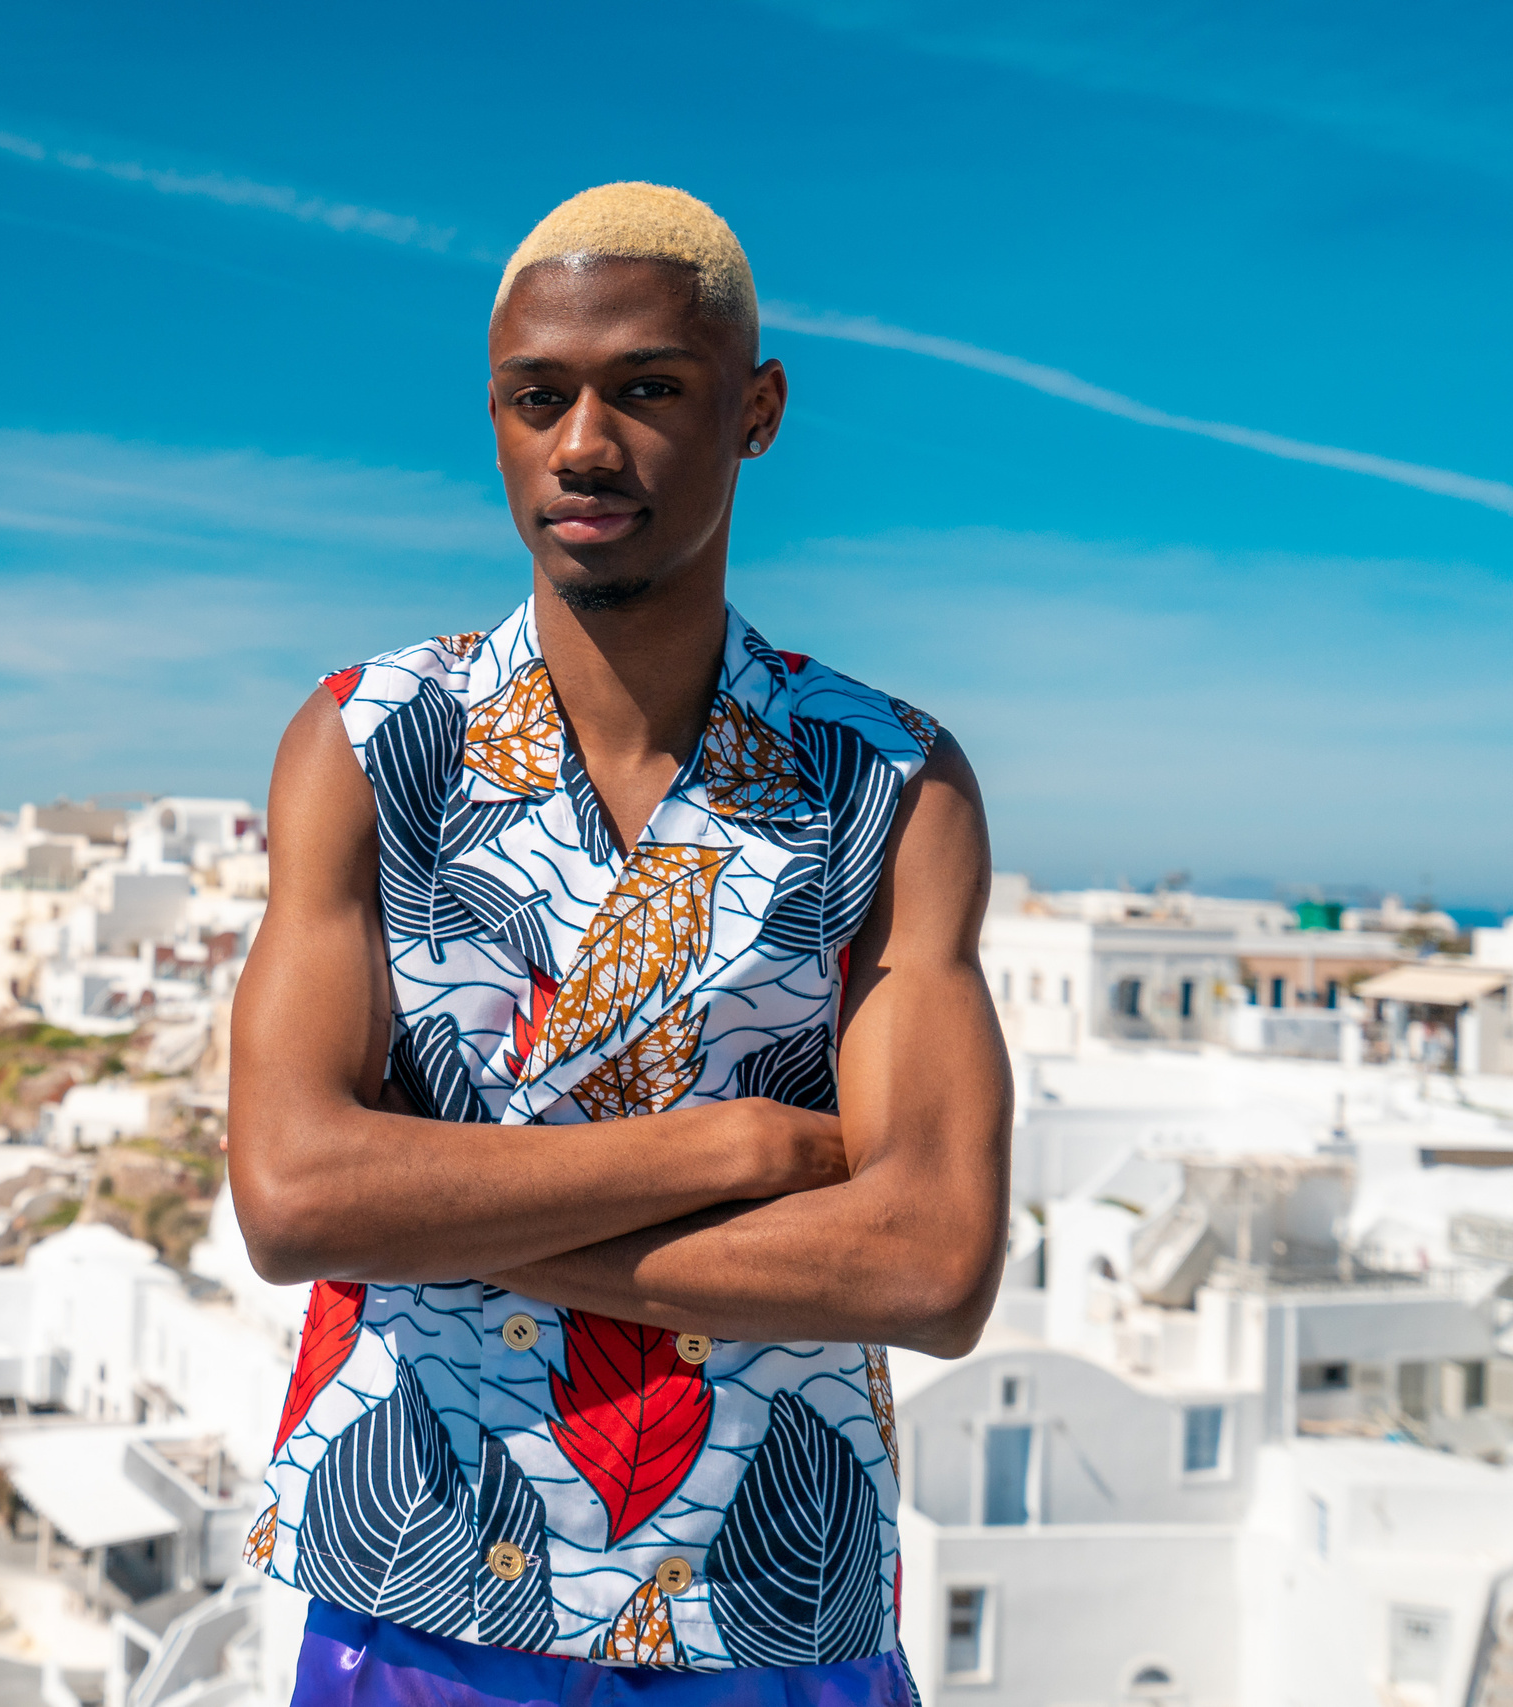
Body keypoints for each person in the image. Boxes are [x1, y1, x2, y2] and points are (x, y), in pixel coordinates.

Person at [227, 182, 1013, 1703]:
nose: (583, 445)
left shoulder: (892, 782)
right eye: (540, 398)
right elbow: (297, 1195)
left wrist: (435, 1218)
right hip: (422, 1579)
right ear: (497, 420)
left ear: (755, 411)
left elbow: (930, 1263)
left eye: (647, 389)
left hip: (771, 1603)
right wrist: (734, 1149)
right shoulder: (371, 744)